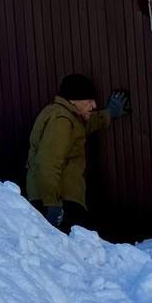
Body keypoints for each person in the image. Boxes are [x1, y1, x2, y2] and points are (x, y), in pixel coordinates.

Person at [26, 74, 128, 233]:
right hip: (59, 203)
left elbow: (84, 126)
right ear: (73, 100)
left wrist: (109, 113)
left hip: (58, 200)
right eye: (88, 101)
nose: (94, 105)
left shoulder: (67, 117)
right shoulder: (62, 121)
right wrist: (53, 204)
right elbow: (47, 162)